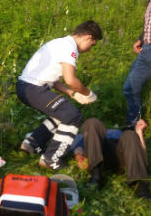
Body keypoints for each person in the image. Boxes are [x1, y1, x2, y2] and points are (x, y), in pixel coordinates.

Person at [17, 21, 102, 170]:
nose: (89, 50)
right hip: (34, 89)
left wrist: (72, 94)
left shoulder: (60, 43)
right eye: (92, 45)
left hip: (27, 87)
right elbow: (71, 80)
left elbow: (54, 80)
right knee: (73, 115)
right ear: (88, 37)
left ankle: (32, 143)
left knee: (63, 113)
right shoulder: (70, 48)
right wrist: (88, 94)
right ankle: (51, 158)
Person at [70, 118, 151, 199]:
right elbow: (77, 146)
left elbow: (140, 152)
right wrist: (79, 157)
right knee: (91, 122)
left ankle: (140, 185)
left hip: (120, 157)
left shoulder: (119, 133)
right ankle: (95, 177)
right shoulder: (91, 130)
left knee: (130, 134)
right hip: (98, 157)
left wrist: (139, 132)